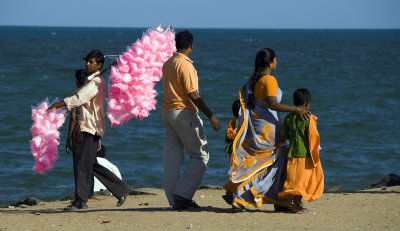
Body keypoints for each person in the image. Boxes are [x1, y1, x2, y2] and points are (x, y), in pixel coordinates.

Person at [226, 48, 310, 212]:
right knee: (277, 159)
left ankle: (279, 199)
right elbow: (273, 104)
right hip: (267, 129)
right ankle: (245, 196)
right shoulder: (269, 80)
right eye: (276, 60)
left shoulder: (253, 80)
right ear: (270, 63)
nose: (277, 62)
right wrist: (296, 109)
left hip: (256, 127)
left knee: (264, 163)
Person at [49, 50, 130, 210]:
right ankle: (121, 189)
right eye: (87, 61)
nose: (87, 64)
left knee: (82, 165)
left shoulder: (96, 83)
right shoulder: (92, 81)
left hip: (90, 128)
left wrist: (57, 105)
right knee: (90, 164)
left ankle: (80, 201)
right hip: (91, 127)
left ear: (99, 65)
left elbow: (80, 98)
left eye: (91, 62)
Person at [162, 30, 221, 210]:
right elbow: (193, 94)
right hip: (183, 113)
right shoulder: (185, 65)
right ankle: (182, 196)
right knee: (200, 155)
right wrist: (210, 115)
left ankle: (173, 199)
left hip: (167, 114)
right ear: (191, 46)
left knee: (172, 159)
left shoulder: (168, 63)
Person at [278, 89, 324, 213]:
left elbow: (284, 134)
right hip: (305, 154)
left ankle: (296, 203)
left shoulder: (289, 117)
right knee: (302, 182)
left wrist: (293, 137)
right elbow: (314, 136)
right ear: (307, 103)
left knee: (294, 180)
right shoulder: (310, 118)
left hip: (292, 153)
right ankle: (296, 205)